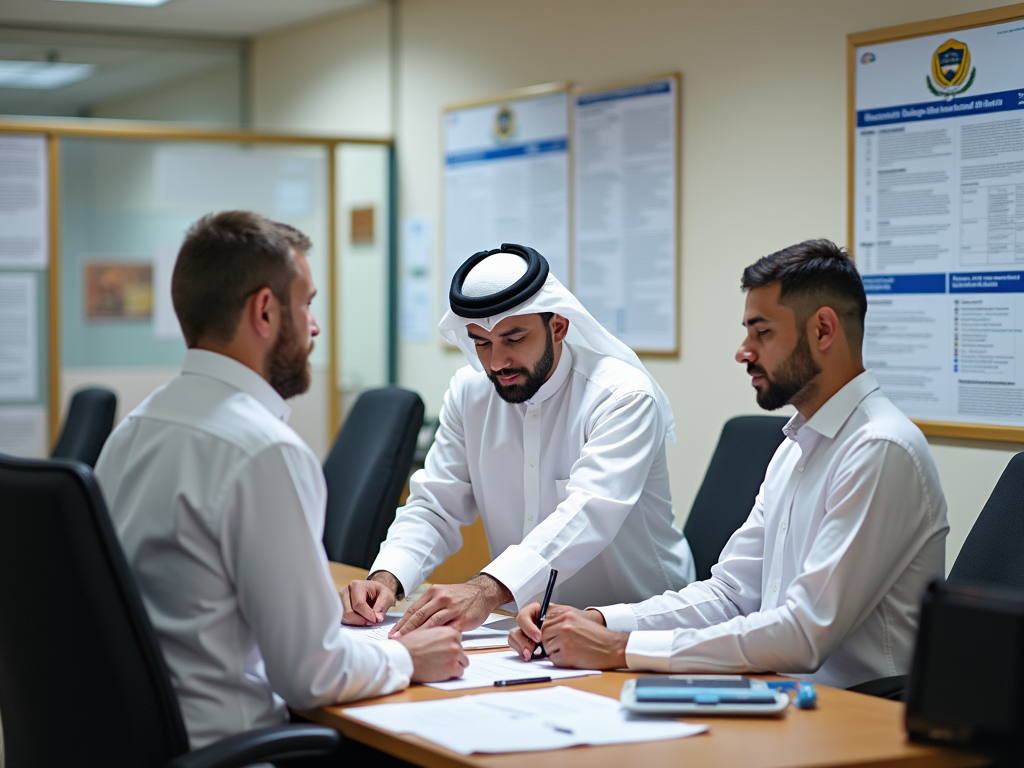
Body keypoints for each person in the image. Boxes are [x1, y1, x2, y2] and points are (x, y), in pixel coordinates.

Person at [94, 211, 467, 749]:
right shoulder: (262, 449)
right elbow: (310, 674)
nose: (314, 326)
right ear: (265, 311)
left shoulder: (136, 429)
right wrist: (407, 656)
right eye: (307, 303)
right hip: (229, 751)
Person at [508, 239, 949, 690]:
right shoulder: (798, 446)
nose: (743, 351)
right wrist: (598, 620)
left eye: (762, 333)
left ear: (822, 330)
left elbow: (802, 635)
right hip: (783, 700)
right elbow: (730, 596)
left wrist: (619, 650)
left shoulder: (879, 448)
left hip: (860, 719)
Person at [342, 243, 695, 636]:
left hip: (635, 626)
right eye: (481, 342)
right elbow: (436, 505)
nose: (496, 363)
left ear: (558, 327)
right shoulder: (470, 393)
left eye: (514, 339)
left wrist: (485, 590)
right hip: (526, 633)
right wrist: (388, 576)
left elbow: (587, 514)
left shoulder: (622, 397)